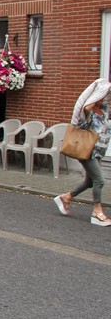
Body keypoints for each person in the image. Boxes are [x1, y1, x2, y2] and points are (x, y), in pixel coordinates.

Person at [54, 79, 111, 226]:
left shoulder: (104, 109)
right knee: (100, 180)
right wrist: (96, 92)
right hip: (87, 151)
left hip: (99, 151)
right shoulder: (88, 111)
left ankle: (66, 197)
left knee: (90, 181)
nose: (104, 97)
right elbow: (86, 106)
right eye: (103, 94)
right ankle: (97, 212)